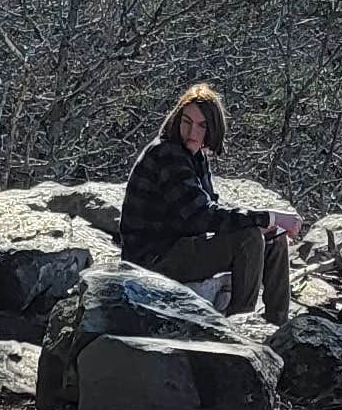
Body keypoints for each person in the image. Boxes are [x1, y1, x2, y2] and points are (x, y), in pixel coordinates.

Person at [118, 83, 303, 317]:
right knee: (248, 238)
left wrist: (267, 223)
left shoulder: (195, 156)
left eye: (202, 125)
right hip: (152, 259)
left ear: (212, 128)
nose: (192, 132)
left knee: (274, 239)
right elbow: (202, 216)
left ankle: (279, 325)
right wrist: (268, 216)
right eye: (187, 122)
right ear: (177, 120)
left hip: (179, 246)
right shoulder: (168, 154)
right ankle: (241, 322)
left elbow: (213, 210)